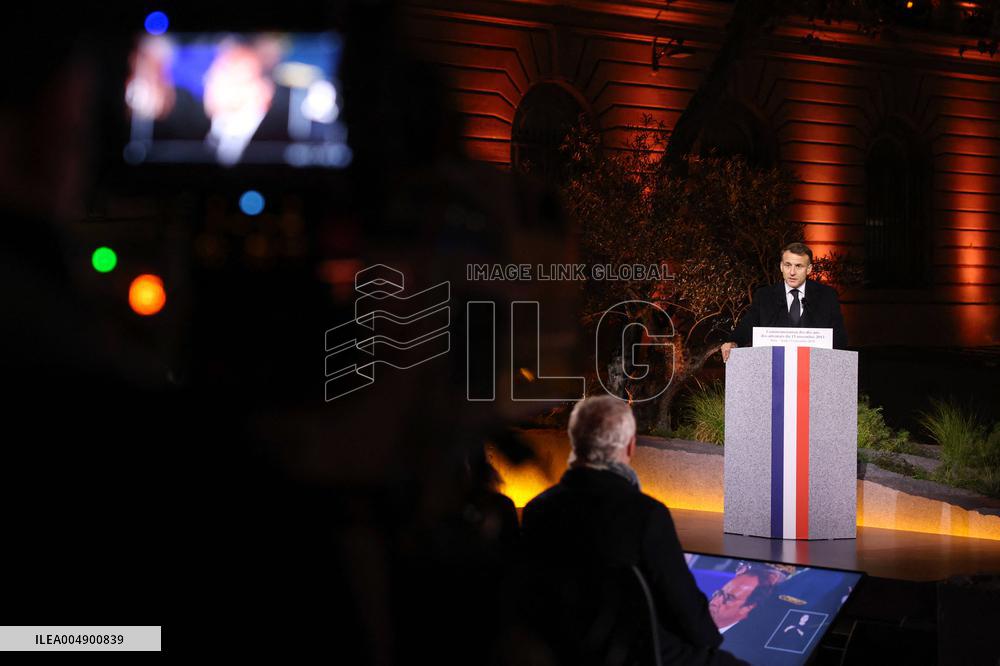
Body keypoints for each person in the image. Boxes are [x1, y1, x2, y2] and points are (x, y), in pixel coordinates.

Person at [517, 396, 746, 665]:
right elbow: (682, 605)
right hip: (637, 654)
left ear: (575, 441)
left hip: (560, 650)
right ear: (630, 446)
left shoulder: (537, 510)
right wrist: (709, 640)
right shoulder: (646, 515)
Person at [720, 242, 848, 362]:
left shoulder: (827, 296)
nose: (792, 272)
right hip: (774, 368)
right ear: (781, 266)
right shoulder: (764, 296)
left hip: (815, 369)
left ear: (808, 269)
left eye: (798, 266)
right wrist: (734, 342)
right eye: (788, 265)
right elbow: (747, 326)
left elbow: (839, 338)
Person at [707, 564, 778, 634]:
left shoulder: (746, 639)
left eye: (729, 598)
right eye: (719, 593)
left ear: (747, 608)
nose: (714, 602)